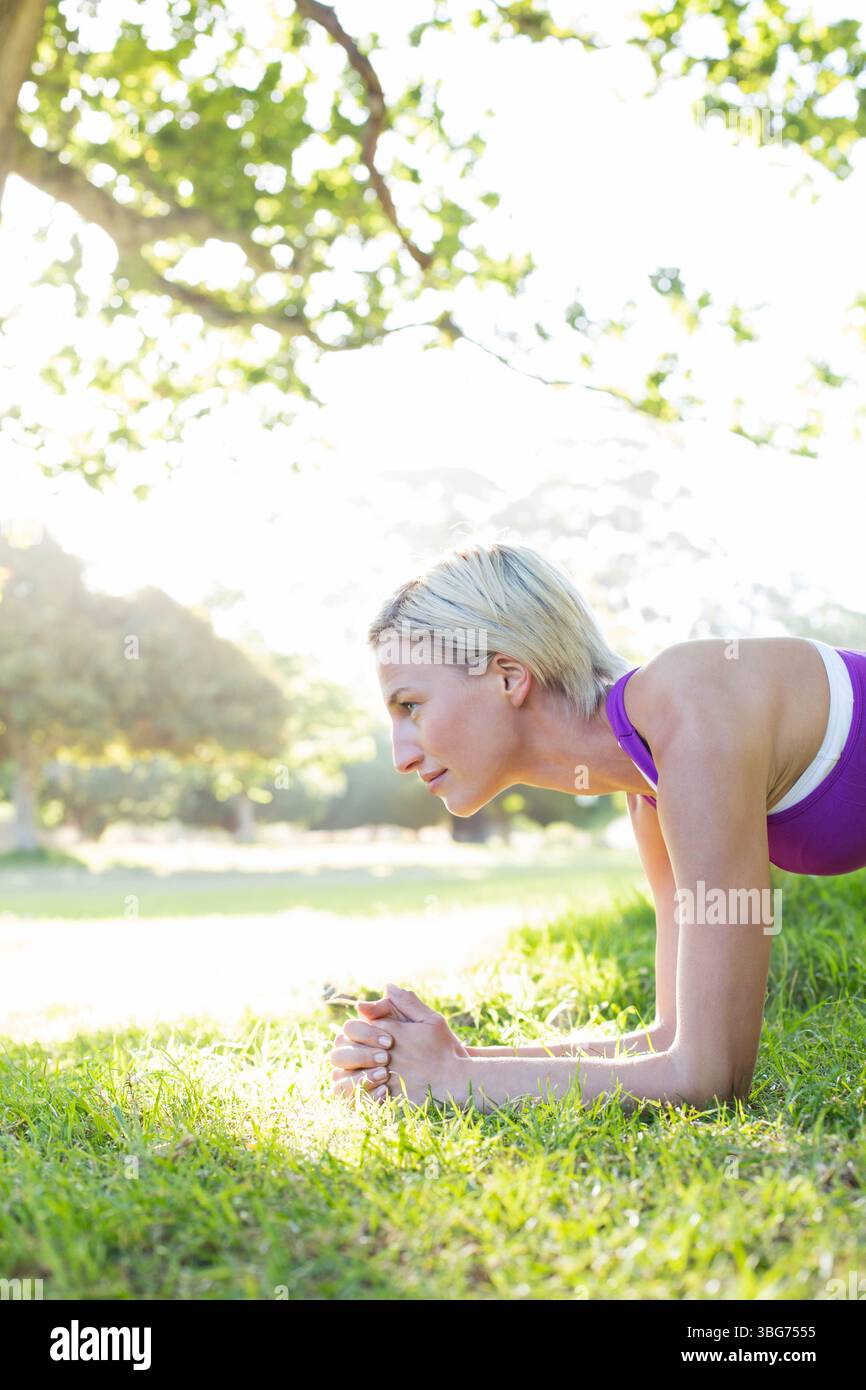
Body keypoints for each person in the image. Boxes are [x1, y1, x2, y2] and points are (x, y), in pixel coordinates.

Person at [330, 541, 866, 1112]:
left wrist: (450, 1081)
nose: (400, 756)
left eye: (410, 705)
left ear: (509, 676)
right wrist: (452, 1061)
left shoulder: (692, 713)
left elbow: (711, 1076)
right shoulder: (651, 787)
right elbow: (674, 1040)